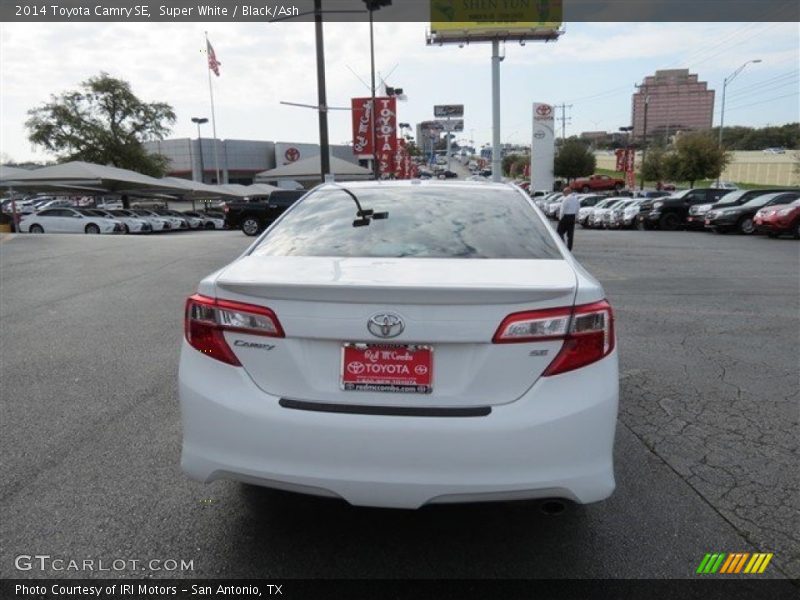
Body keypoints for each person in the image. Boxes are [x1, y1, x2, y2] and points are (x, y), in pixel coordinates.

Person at [557, 186, 580, 251]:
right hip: (572, 217)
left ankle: (562, 245)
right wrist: (576, 217)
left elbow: (562, 209)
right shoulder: (576, 199)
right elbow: (578, 209)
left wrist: (560, 218)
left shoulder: (566, 199)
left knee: (559, 231)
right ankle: (569, 248)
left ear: (567, 192)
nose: (563, 193)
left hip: (566, 216)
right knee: (570, 234)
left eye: (564, 192)